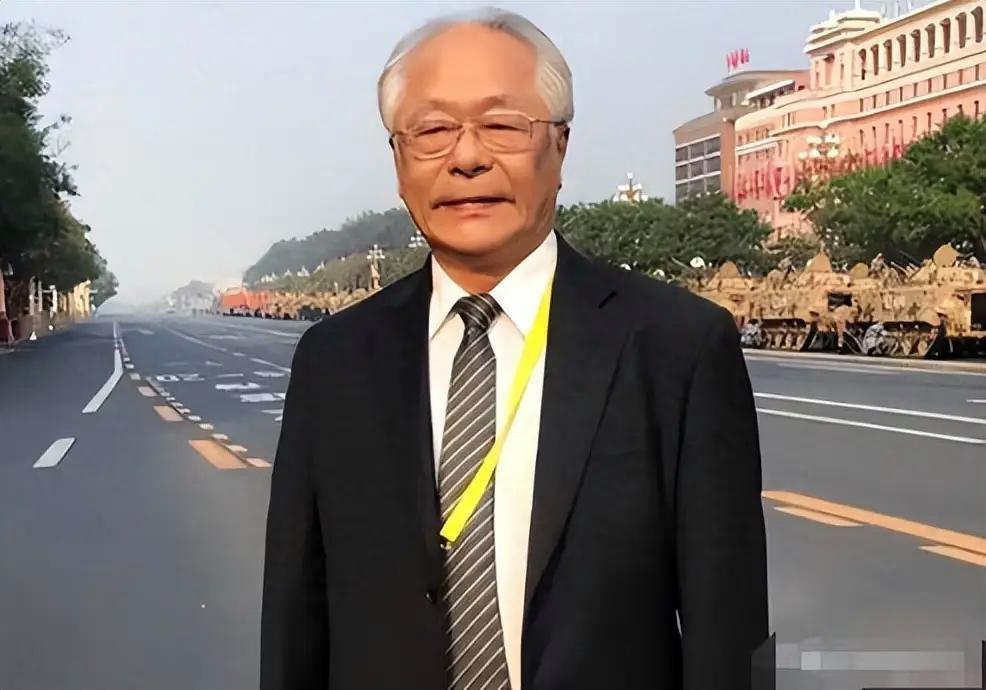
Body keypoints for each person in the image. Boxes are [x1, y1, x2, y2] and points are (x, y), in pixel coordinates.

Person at [261, 8, 768, 690]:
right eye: (432, 131)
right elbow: (296, 622)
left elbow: (729, 633)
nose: (467, 157)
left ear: (559, 147)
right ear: (399, 161)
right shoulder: (334, 362)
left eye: (501, 125)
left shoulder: (677, 348)